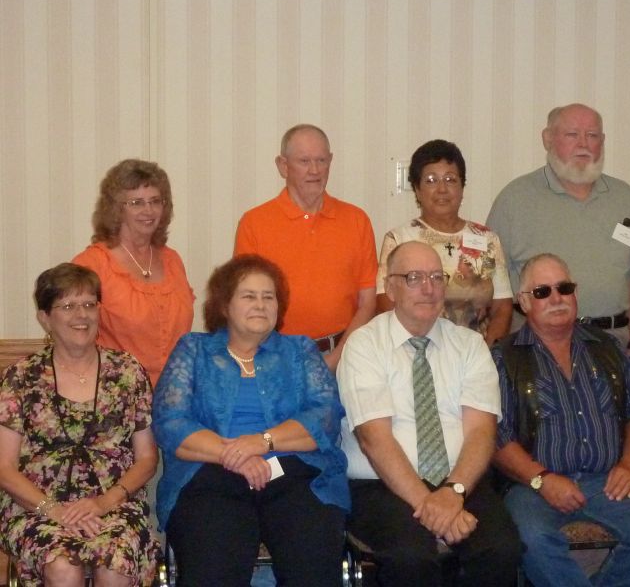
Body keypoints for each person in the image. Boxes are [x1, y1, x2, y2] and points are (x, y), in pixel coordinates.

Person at [152, 254, 349, 587]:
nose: (260, 304)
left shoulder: (299, 351)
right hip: (210, 475)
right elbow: (171, 423)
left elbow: (325, 416)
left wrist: (261, 442)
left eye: (268, 296)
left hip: (294, 474)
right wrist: (236, 456)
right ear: (225, 305)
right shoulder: (194, 350)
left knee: (312, 565)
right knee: (215, 566)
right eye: (248, 296)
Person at [337, 241, 521, 586]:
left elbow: (482, 432)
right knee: (412, 557)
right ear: (390, 288)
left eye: (437, 277)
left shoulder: (469, 345)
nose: (428, 287)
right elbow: (374, 440)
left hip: (460, 480)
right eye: (414, 277)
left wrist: (454, 492)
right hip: (381, 486)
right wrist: (431, 505)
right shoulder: (364, 345)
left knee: (501, 550)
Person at [492, 253, 630, 587]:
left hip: (606, 480)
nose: (557, 298)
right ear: (523, 302)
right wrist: (543, 480)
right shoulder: (504, 357)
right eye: (542, 292)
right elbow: (497, 437)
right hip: (531, 486)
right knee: (531, 540)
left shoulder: (606, 346)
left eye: (564, 288)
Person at [0, 263, 160, 586]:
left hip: (115, 504)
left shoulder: (128, 372)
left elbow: (147, 458)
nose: (82, 315)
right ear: (45, 318)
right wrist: (54, 510)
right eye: (68, 306)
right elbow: (4, 467)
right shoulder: (21, 377)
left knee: (115, 564)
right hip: (36, 507)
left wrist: (102, 504)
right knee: (62, 566)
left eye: (89, 304)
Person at [486, 104, 630, 353]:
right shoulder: (514, 199)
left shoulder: (624, 197)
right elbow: (492, 280)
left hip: (614, 346)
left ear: (603, 141)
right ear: (547, 139)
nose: (583, 144)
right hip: (537, 350)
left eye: (592, 135)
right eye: (572, 134)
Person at [234, 124, 378, 370]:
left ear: (331, 161)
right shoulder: (254, 223)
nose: (314, 170)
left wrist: (336, 359)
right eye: (304, 161)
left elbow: (368, 302)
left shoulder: (356, 220)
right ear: (283, 166)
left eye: (321, 160)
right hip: (274, 360)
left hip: (345, 357)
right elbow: (246, 302)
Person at [376, 139, 513, 345]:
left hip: (477, 354)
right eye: (431, 180)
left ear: (462, 187)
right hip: (419, 351)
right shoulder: (399, 239)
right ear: (417, 190)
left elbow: (503, 307)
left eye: (450, 179)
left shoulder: (487, 239)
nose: (442, 189)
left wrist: (487, 352)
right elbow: (385, 302)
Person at [73, 158, 195, 387]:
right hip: (115, 394)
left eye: (155, 201)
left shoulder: (172, 260)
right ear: (117, 209)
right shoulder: (92, 264)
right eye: (137, 202)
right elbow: (74, 339)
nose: (148, 210)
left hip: (177, 393)